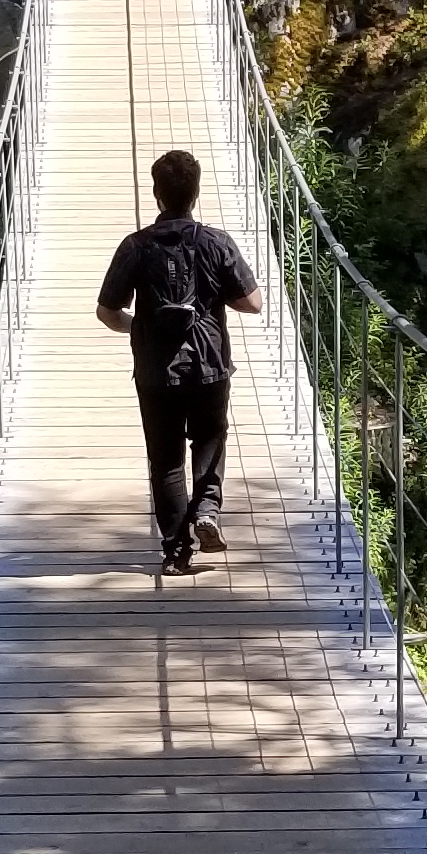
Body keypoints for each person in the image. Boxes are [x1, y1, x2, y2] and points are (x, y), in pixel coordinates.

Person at [97, 149, 262, 575]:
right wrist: (210, 294)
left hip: (155, 369)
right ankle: (207, 509)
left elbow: (107, 311)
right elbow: (253, 303)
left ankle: (175, 552)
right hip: (208, 362)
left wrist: (139, 325)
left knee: (166, 459)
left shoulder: (135, 246)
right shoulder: (216, 242)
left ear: (156, 193)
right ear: (196, 192)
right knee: (210, 437)